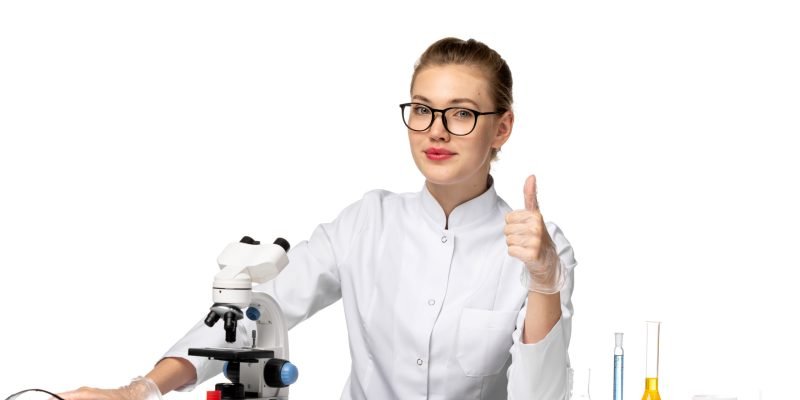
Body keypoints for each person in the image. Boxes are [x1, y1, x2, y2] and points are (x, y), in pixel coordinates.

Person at [61, 37, 578, 400]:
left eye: (461, 112)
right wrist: (140, 389)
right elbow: (255, 314)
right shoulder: (366, 224)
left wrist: (543, 283)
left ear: (502, 127)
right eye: (421, 108)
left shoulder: (540, 248)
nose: (435, 131)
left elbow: (543, 394)